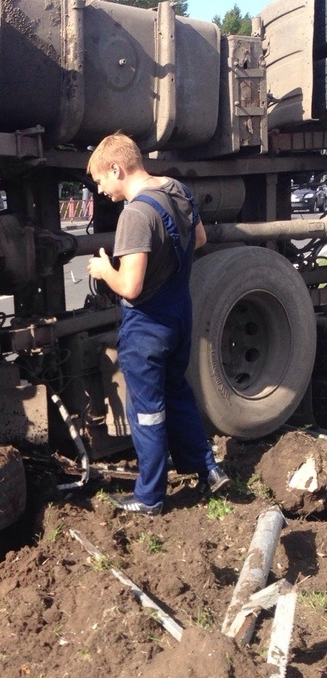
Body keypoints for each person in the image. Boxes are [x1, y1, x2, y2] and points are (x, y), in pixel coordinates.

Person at [86, 133, 228, 515]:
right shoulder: (176, 189)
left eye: (101, 180)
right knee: (178, 392)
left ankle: (149, 497)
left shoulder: (134, 215)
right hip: (180, 312)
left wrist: (104, 270)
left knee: (147, 412)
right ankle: (208, 468)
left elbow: (130, 287)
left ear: (117, 168)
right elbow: (197, 239)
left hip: (147, 326)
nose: (100, 191)